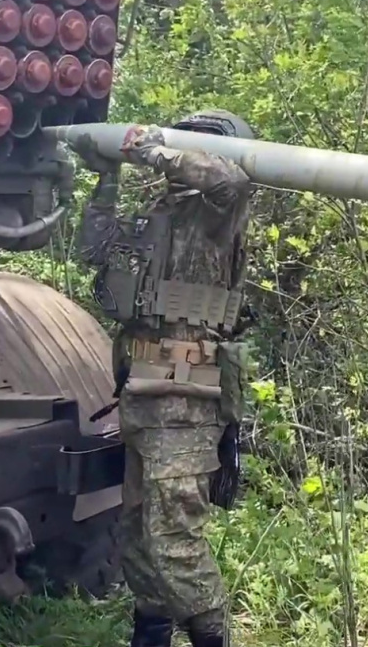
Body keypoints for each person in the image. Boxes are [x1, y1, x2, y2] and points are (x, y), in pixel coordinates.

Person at [74, 109, 255, 647]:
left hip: (186, 398)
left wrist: (156, 149)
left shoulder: (218, 213)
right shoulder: (158, 214)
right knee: (137, 537)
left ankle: (211, 635)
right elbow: (92, 249)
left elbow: (230, 179)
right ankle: (150, 634)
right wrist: (107, 177)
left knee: (175, 539)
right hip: (143, 393)